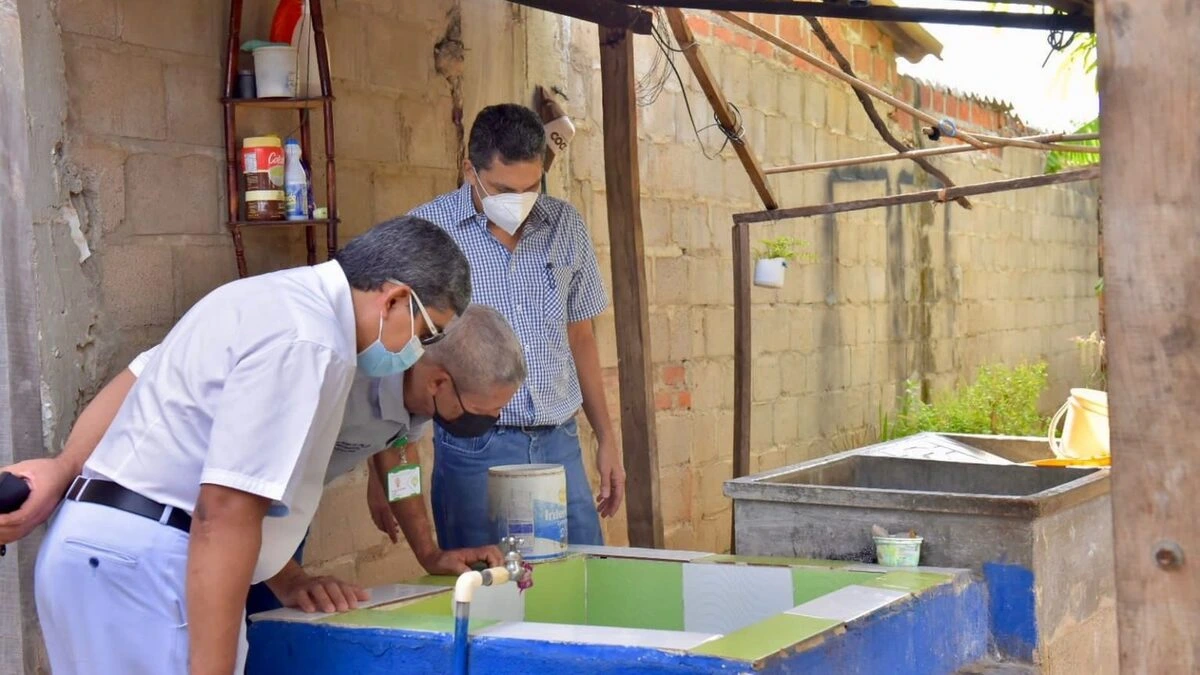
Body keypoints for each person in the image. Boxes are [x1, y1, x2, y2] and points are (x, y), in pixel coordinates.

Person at [5, 215, 471, 675]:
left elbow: (135, 380)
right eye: (426, 333)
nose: (419, 351)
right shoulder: (312, 340)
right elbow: (225, 511)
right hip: (149, 567)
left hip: (94, 550)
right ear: (394, 300)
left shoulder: (263, 295)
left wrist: (65, 468)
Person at [113, 304, 526, 619]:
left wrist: (429, 553)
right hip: (207, 514)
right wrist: (288, 577)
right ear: (438, 381)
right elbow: (234, 492)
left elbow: (399, 451)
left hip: (281, 515)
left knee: (269, 623)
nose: (490, 422)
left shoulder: (420, 391)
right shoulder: (332, 372)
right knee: (232, 625)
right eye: (481, 410)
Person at [409, 104, 625, 551]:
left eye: (532, 188)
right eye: (506, 189)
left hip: (558, 443)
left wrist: (607, 439)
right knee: (485, 586)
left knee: (583, 577)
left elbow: (580, 338)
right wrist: (387, 466)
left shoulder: (565, 225)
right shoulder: (429, 231)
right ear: (471, 171)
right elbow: (405, 355)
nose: (522, 203)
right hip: (474, 448)